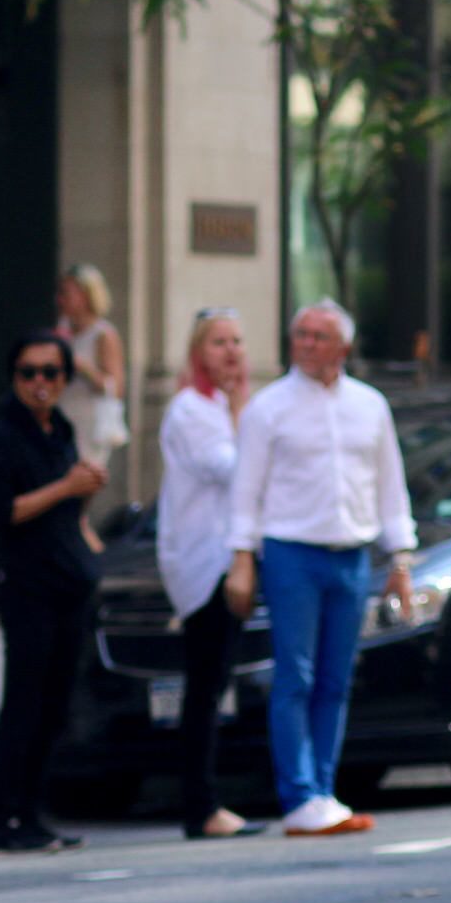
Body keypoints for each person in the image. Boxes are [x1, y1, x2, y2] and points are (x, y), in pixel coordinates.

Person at [227, 301, 416, 837]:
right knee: (296, 676)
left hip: (352, 557)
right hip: (292, 553)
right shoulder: (269, 407)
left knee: (336, 679)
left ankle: (323, 790)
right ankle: (299, 795)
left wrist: (399, 561)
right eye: (301, 334)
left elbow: (389, 488)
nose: (307, 343)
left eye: (319, 335)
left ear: (343, 346)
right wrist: (242, 560)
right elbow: (247, 491)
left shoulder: (370, 405)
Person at [0, 331, 107, 855]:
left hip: (67, 583)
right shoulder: (2, 439)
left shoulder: (62, 430)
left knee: (55, 706)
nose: (39, 384)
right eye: (28, 373)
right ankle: (3, 818)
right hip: (27, 588)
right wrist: (65, 488)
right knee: (23, 705)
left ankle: (32, 812)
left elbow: (69, 508)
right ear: (14, 378)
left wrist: (85, 524)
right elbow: (5, 512)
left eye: (50, 373)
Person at [157, 309, 267, 842]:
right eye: (219, 342)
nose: (231, 351)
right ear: (199, 352)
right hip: (204, 565)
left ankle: (206, 800)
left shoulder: (219, 406)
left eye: (238, 341)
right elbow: (233, 467)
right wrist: (245, 411)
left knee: (214, 683)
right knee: (204, 687)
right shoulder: (191, 409)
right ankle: (199, 805)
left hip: (225, 559)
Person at [56, 262, 129, 464]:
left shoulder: (103, 335)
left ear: (86, 295)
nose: (61, 300)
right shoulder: (62, 329)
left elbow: (115, 387)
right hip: (61, 415)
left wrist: (80, 365)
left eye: (67, 293)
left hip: (88, 421)